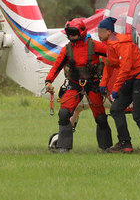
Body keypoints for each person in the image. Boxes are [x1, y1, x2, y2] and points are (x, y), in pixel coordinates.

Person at [44, 17, 112, 153]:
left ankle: (106, 147)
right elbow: (57, 65)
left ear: (81, 32)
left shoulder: (95, 45)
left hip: (92, 84)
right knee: (64, 114)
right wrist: (48, 80)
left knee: (100, 117)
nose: (72, 36)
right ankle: (63, 147)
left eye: (74, 32)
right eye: (69, 33)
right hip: (74, 85)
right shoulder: (67, 49)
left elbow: (113, 53)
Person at [97, 16, 140, 153]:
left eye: (100, 31)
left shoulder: (123, 44)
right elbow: (109, 65)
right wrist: (103, 83)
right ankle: (125, 144)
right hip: (131, 79)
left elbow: (125, 68)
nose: (98, 33)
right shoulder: (110, 45)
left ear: (109, 32)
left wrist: (115, 88)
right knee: (116, 109)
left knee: (138, 115)